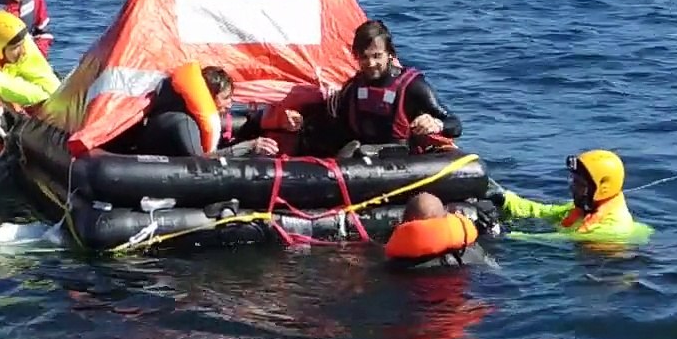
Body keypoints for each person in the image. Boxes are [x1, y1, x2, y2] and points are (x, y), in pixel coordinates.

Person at [325, 20, 461, 154]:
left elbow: (455, 124)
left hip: (402, 162)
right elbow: (338, 129)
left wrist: (437, 124)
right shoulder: (352, 88)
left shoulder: (413, 87)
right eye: (364, 57)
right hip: (362, 160)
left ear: (390, 54)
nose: (371, 63)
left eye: (377, 56)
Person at [134, 61, 303, 158]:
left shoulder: (189, 112)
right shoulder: (183, 122)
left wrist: (281, 119)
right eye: (226, 98)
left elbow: (248, 120)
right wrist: (250, 146)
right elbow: (201, 164)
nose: (230, 104)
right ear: (209, 96)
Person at [486, 149, 644, 241]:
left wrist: (503, 233)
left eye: (579, 184)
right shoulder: (587, 207)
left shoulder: (611, 229)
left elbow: (557, 240)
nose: (572, 187)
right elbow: (544, 212)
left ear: (601, 188)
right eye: (573, 180)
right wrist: (504, 198)